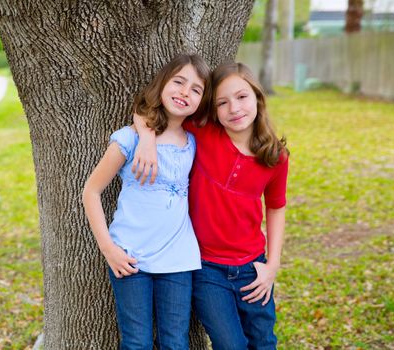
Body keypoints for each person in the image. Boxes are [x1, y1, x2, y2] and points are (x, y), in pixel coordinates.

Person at [133, 62, 289, 349]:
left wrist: (272, 265)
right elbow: (149, 113)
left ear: (257, 97)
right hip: (206, 268)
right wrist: (144, 138)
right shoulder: (202, 135)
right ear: (213, 109)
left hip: (253, 267)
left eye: (242, 97)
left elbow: (276, 208)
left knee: (264, 341)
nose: (234, 108)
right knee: (230, 345)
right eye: (222, 102)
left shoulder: (275, 157)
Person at [82, 53, 211, 349]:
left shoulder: (194, 140)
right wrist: (109, 250)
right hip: (130, 258)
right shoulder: (129, 138)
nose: (184, 92)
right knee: (136, 342)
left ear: (202, 101)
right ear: (162, 83)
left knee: (175, 342)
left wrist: (148, 134)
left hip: (178, 259)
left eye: (196, 89)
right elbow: (91, 190)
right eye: (178, 82)